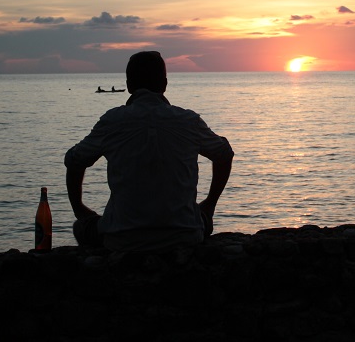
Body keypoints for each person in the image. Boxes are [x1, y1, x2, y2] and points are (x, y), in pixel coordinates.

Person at [65, 51, 233, 252]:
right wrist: (209, 204)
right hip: (185, 235)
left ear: (129, 86)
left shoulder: (112, 121)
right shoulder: (188, 121)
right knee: (203, 220)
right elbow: (224, 154)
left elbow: (74, 160)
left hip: (121, 238)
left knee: (81, 227)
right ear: (164, 84)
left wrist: (80, 209)